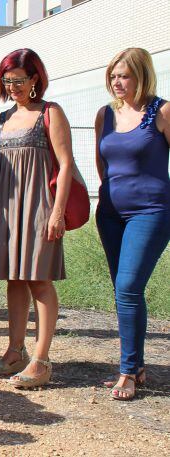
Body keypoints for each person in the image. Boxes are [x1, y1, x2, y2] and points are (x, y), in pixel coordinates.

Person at [0, 49, 74, 389]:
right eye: (8, 80)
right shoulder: (2, 119)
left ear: (35, 78)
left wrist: (57, 212)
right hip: (6, 207)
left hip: (39, 207)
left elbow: (65, 165)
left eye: (19, 79)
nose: (13, 86)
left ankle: (41, 360)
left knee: (39, 280)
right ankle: (14, 352)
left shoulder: (51, 112)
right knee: (13, 280)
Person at [95, 48, 170, 400]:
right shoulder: (105, 115)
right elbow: (102, 164)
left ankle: (127, 371)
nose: (116, 82)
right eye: (113, 75)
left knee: (127, 288)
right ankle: (137, 365)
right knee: (125, 293)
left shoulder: (163, 111)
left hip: (151, 212)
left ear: (141, 75)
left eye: (123, 75)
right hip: (110, 214)